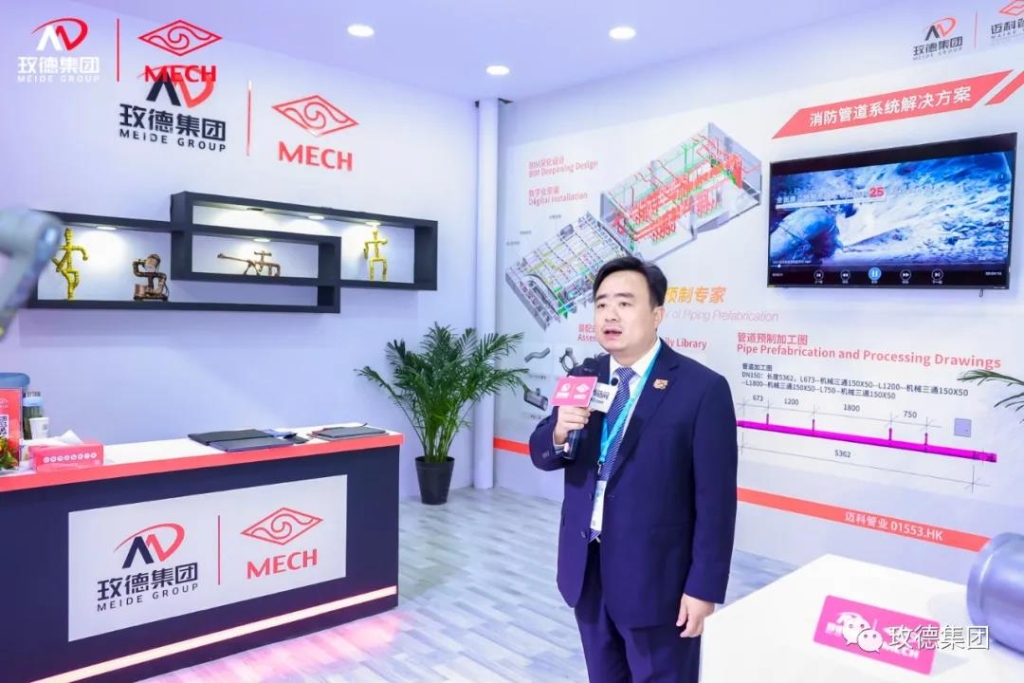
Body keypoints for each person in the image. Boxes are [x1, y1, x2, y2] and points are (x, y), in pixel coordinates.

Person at [528, 255, 738, 683]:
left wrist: (703, 587)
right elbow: (542, 452)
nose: (610, 315)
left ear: (657, 315)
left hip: (658, 583)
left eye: (624, 303)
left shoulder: (702, 389)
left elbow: (716, 502)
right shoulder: (585, 376)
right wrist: (559, 431)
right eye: (602, 304)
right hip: (587, 572)